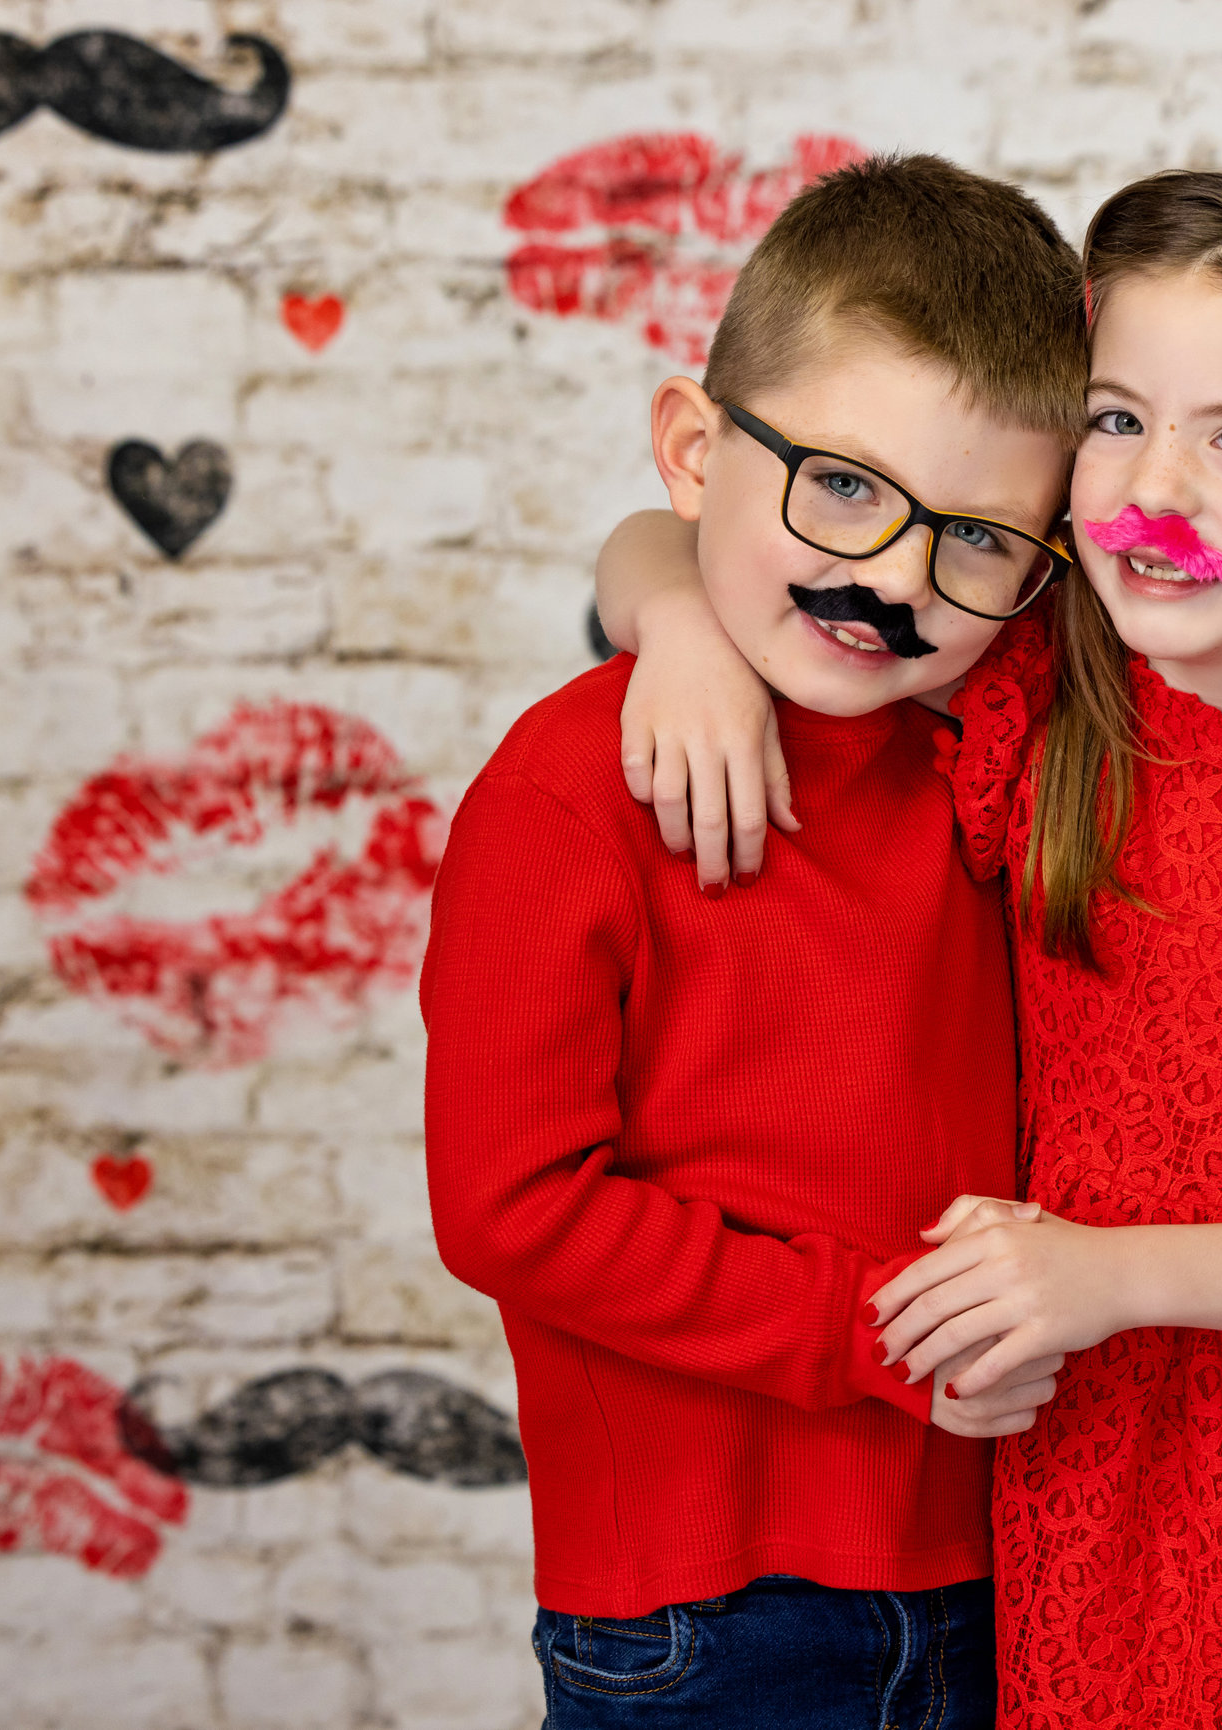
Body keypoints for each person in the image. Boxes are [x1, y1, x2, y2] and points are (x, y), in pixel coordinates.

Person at [595, 170, 1222, 1725]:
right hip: (1111, 1444)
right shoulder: (1045, 692)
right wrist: (674, 628)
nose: (1156, 492)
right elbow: (667, 527)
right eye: (1113, 419)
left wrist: (1104, 1270)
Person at [420, 154, 1092, 1730]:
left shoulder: (992, 731)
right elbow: (510, 1209)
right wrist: (877, 1331)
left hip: (1002, 1549)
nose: (893, 577)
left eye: (980, 538)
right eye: (841, 486)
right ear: (692, 449)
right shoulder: (570, 791)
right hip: (702, 1607)